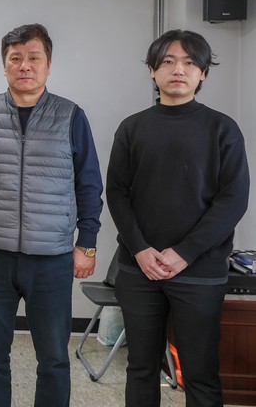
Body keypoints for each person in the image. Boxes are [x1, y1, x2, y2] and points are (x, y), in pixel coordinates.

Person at [0, 23, 103, 407]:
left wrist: (87, 243)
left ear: (48, 65)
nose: (25, 66)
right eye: (16, 58)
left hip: (51, 258)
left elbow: (89, 183)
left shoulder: (71, 116)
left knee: (53, 357)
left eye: (34, 58)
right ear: (4, 65)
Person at [106, 30, 249, 407]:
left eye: (189, 62)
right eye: (168, 62)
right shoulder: (132, 127)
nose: (178, 70)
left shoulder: (222, 129)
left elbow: (234, 199)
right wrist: (140, 250)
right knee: (141, 368)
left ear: (203, 73)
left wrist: (185, 252)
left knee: (200, 372)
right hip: (140, 270)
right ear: (153, 71)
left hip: (200, 270)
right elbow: (117, 193)